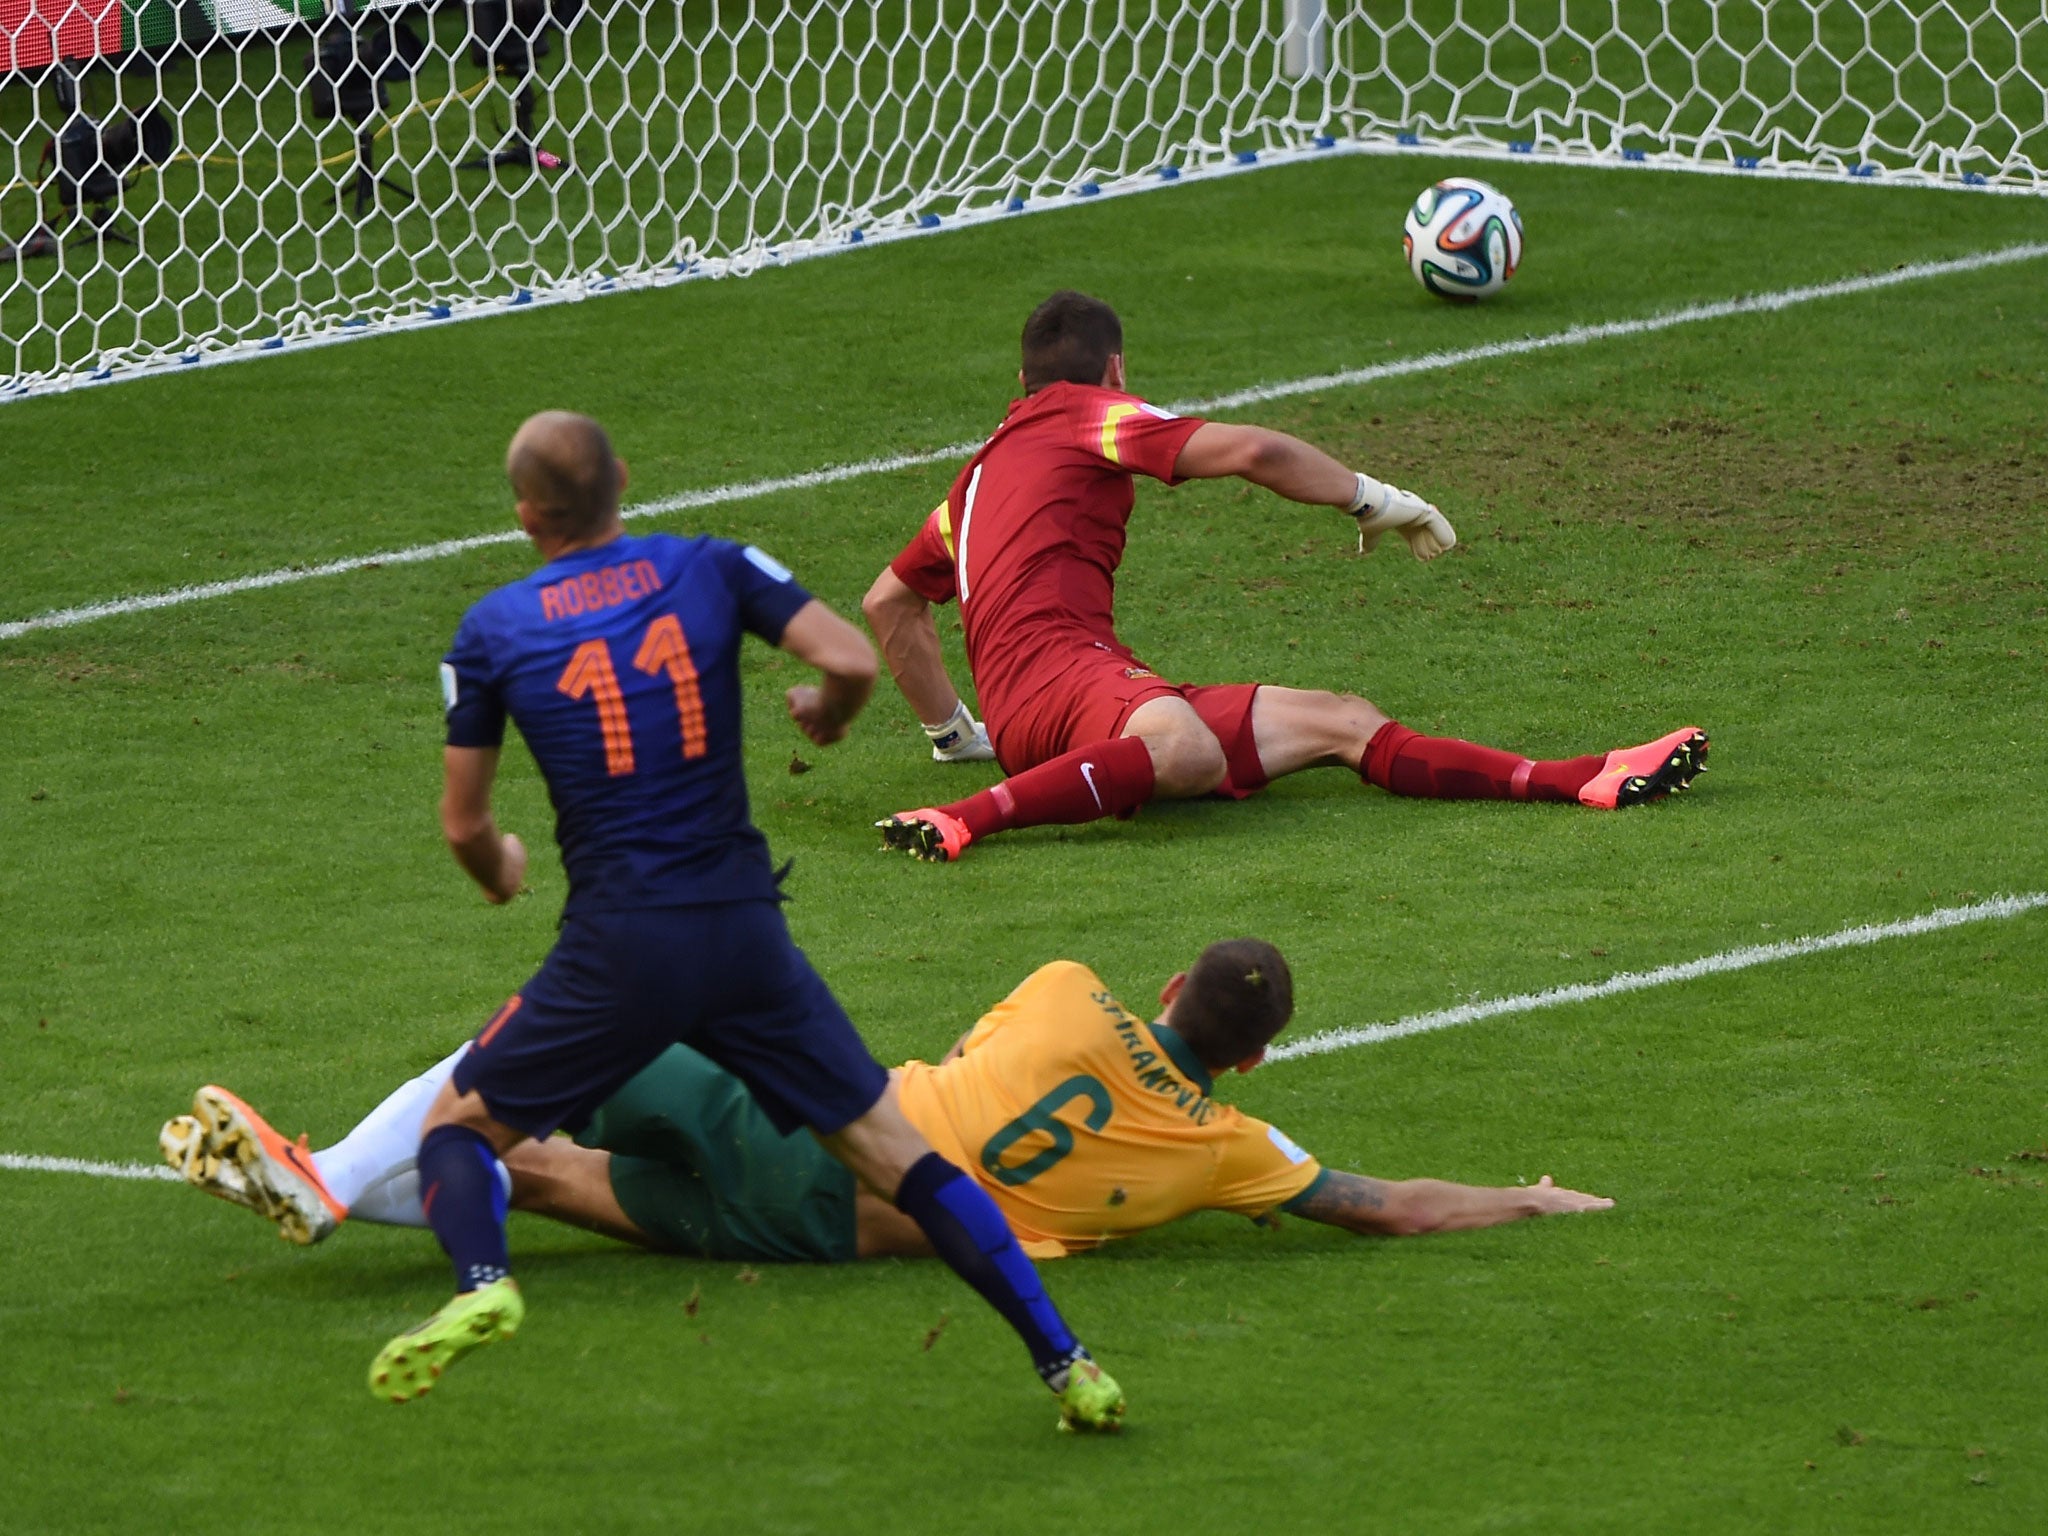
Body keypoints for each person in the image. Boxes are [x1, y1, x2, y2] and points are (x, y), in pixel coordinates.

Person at [331, 409, 1120, 1429]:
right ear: (623, 473)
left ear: (526, 513)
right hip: (744, 935)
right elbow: (852, 658)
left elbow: (464, 823)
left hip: (618, 945)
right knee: (900, 1158)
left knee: (458, 1132)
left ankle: (482, 1280)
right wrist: (827, 713)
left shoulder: (489, 632)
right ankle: (1066, 1363)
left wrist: (499, 871)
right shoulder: (709, 565)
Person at [161, 939, 1611, 1273]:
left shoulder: (1062, 990)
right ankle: (335, 1186)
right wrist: (1531, 1198)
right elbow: (1386, 1209)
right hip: (833, 1235)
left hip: (815, 1129)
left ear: (1168, 980)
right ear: (1255, 1061)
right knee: (541, 1173)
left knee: (558, 1032)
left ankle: (335, 1181)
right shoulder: (1229, 1148)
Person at [864, 290, 1707, 861]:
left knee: (1344, 720)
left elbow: (889, 604)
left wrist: (957, 736)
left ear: (1020, 383)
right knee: (1184, 749)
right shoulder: (1098, 418)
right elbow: (1257, 451)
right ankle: (964, 819)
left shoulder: (970, 488)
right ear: (1116, 372)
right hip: (1068, 681)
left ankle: (1576, 778)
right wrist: (1378, 500)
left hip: (1059, 696)